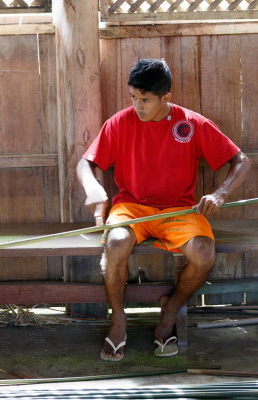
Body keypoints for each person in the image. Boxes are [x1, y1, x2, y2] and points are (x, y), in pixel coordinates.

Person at [77, 59, 251, 361]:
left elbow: (241, 161)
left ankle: (170, 309)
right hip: (131, 208)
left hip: (179, 210)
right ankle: (118, 319)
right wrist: (93, 188)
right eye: (133, 97)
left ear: (165, 99)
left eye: (145, 99)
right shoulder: (119, 122)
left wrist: (221, 193)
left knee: (204, 253)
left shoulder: (190, 123)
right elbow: (86, 162)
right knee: (116, 242)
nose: (137, 105)